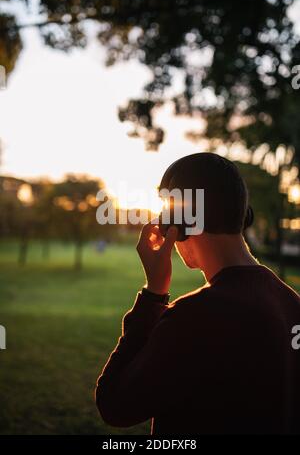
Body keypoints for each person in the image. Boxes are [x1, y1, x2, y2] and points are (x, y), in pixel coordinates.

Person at [95, 153, 300, 434]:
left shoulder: (192, 318)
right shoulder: (292, 304)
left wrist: (154, 293)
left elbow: (114, 404)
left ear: (180, 224)